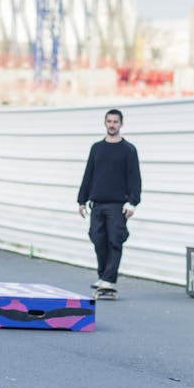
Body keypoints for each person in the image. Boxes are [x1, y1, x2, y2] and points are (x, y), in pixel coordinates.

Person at [77, 109, 142, 292]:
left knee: (115, 240)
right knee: (98, 239)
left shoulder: (128, 149)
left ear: (121, 124)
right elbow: (88, 174)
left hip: (117, 205)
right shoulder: (96, 148)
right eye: (109, 121)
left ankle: (109, 279)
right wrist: (82, 200)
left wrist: (133, 202)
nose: (112, 125)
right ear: (105, 123)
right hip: (97, 203)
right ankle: (102, 276)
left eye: (115, 122)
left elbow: (134, 178)